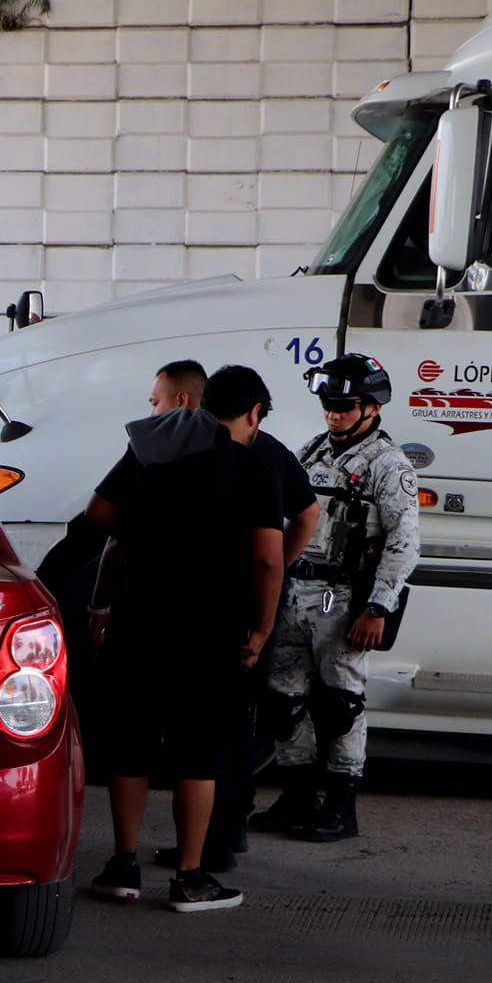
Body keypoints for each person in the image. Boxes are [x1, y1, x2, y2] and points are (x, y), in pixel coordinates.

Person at [84, 364, 284, 912]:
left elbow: (99, 513)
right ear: (251, 415)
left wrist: (150, 535)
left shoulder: (149, 453)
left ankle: (122, 867)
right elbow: (269, 561)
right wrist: (262, 628)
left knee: (130, 749)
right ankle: (190, 878)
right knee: (199, 754)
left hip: (138, 621)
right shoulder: (254, 470)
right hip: (211, 632)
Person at [146, 366, 320, 873]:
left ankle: (207, 845)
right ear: (254, 412)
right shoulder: (266, 454)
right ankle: (218, 840)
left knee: (193, 735)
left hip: (182, 610)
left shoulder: (175, 448)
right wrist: (270, 579)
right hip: (242, 613)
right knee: (232, 728)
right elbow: (307, 517)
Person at [255, 353, 420, 844]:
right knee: (284, 698)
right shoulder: (311, 451)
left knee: (340, 703)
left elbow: (404, 540)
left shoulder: (388, 465)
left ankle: (341, 806)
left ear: (372, 407)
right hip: (292, 593)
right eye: (329, 403)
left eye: (345, 405)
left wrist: (378, 606)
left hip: (341, 598)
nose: (334, 413)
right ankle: (297, 795)